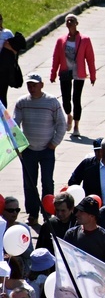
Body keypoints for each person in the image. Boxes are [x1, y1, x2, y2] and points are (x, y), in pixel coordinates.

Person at [13, 73, 66, 227]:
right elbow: (15, 126)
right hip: (28, 150)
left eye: (35, 85)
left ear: (41, 85)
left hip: (47, 150)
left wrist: (54, 143)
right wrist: (18, 145)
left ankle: (47, 213)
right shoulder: (22, 102)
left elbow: (61, 124)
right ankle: (32, 214)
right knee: (29, 183)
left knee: (47, 182)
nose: (32, 88)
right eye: (29, 85)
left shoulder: (51, 102)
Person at [50, 13, 95, 137]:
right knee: (65, 99)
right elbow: (56, 58)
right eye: (68, 21)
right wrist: (53, 73)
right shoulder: (61, 40)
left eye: (72, 21)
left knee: (76, 98)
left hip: (79, 73)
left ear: (77, 23)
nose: (69, 23)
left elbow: (90, 58)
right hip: (65, 71)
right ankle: (69, 115)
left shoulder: (85, 40)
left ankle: (76, 125)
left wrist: (92, 75)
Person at [63, 196, 105, 269]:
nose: (77, 214)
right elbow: (64, 260)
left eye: (81, 212)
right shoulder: (71, 234)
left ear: (92, 216)